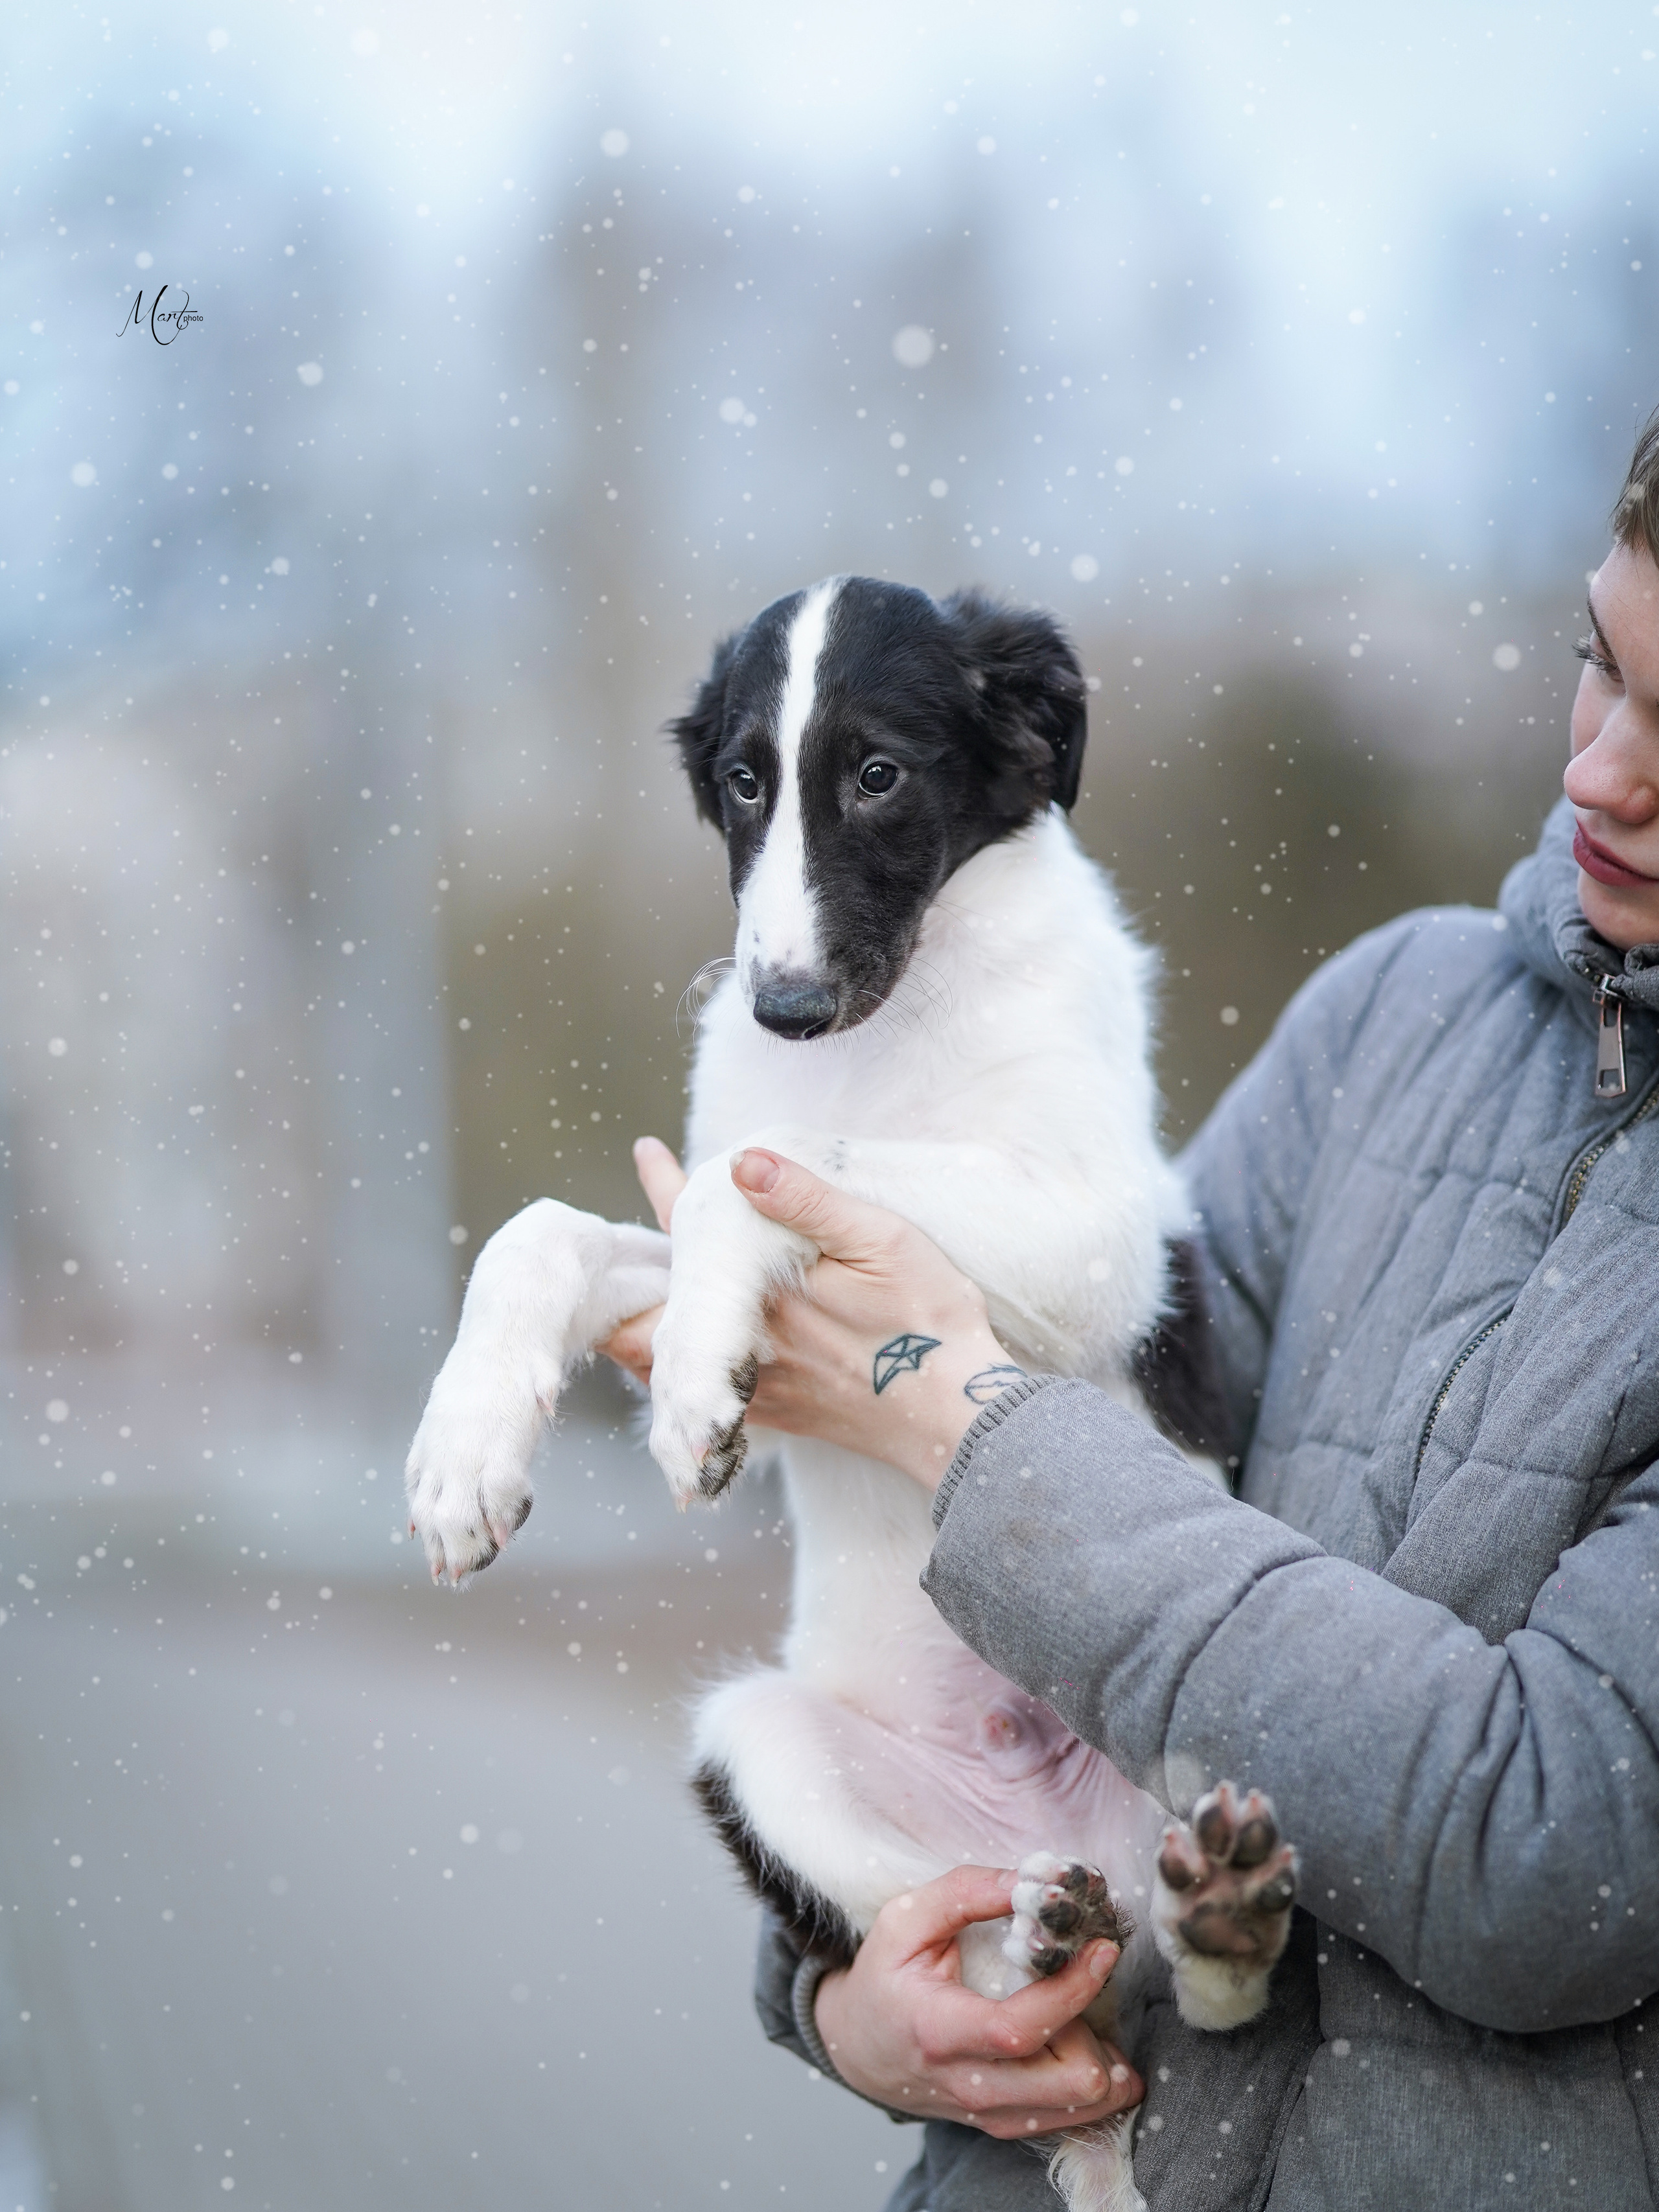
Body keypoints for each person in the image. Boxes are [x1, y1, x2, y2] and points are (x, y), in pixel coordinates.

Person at [603, 417, 1659, 2209]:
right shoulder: (1400, 1013)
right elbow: (1130, 1344)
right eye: (1602, 666)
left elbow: (1543, 1863)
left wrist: (938, 1407)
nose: (1608, 775)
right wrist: (844, 1989)